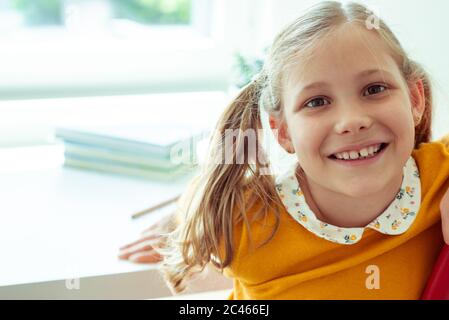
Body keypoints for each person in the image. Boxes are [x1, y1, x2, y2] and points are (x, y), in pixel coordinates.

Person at [119, 1, 449, 299]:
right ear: (284, 132)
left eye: (374, 89)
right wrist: (184, 215)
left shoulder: (439, 174)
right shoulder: (244, 220)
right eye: (317, 102)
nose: (351, 121)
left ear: (415, 99)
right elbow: (204, 205)